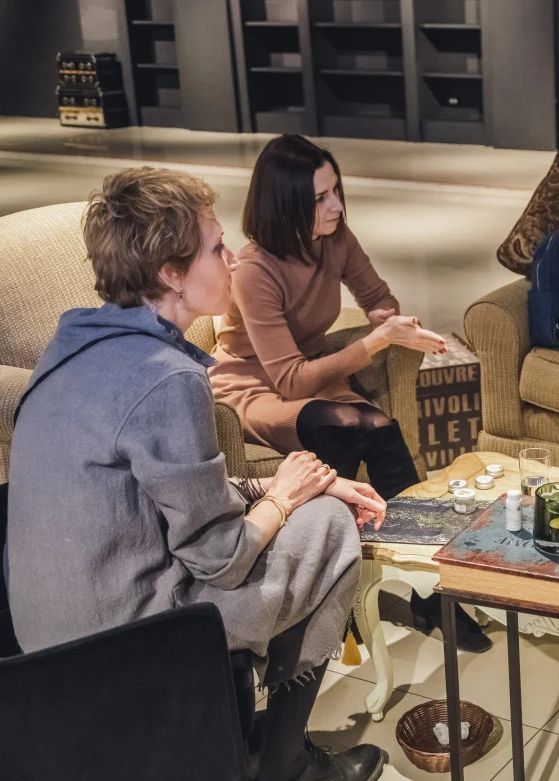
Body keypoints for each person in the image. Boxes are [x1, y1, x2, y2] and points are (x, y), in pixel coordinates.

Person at [5, 167, 389, 781]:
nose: (232, 259)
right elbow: (222, 559)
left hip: (45, 637)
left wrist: (279, 486)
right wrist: (290, 500)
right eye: (216, 248)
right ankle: (288, 762)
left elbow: (160, 494)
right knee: (331, 525)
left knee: (311, 504)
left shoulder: (71, 343)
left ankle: (246, 733)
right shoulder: (167, 378)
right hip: (126, 641)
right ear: (171, 273)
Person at [209, 134, 490, 653]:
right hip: (253, 385)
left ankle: (428, 592)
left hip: (311, 373)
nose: (336, 205)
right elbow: (289, 381)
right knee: (343, 426)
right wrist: (377, 339)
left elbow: (378, 297)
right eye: (320, 197)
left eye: (335, 190)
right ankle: (332, 589)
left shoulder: (334, 237)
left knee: (380, 427)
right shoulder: (254, 270)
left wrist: (389, 319)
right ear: (285, 203)